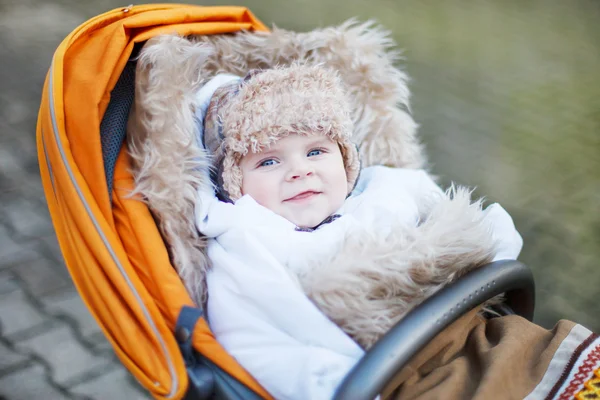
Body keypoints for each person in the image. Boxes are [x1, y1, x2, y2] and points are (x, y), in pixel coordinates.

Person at [192, 64, 524, 399]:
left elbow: (478, 228)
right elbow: (254, 342)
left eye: (316, 151)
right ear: (232, 183)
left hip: (477, 333)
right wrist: (341, 387)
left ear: (345, 158)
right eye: (268, 161)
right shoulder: (247, 240)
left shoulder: (385, 189)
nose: (300, 170)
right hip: (382, 379)